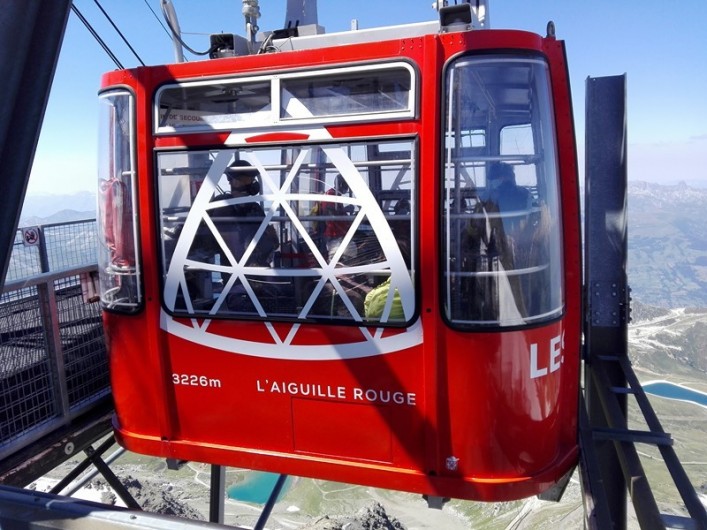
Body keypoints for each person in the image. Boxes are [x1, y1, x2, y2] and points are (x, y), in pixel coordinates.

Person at [210, 159, 279, 268]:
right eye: (247, 179)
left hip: (259, 266)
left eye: (252, 179)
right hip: (237, 271)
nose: (252, 182)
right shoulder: (223, 208)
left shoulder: (254, 207)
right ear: (234, 181)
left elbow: (274, 242)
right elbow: (235, 252)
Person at [320, 174, 356, 262]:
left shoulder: (336, 195)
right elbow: (331, 214)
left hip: (339, 232)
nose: (347, 189)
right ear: (341, 184)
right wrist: (346, 210)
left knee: (348, 255)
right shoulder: (330, 195)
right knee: (335, 258)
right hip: (334, 233)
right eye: (346, 186)